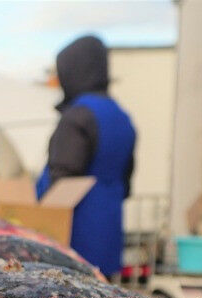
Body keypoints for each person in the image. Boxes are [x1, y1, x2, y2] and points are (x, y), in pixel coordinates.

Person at [43, 35, 136, 278]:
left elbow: (62, 181)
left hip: (77, 235)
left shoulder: (78, 115)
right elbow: (127, 182)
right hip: (109, 228)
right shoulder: (121, 115)